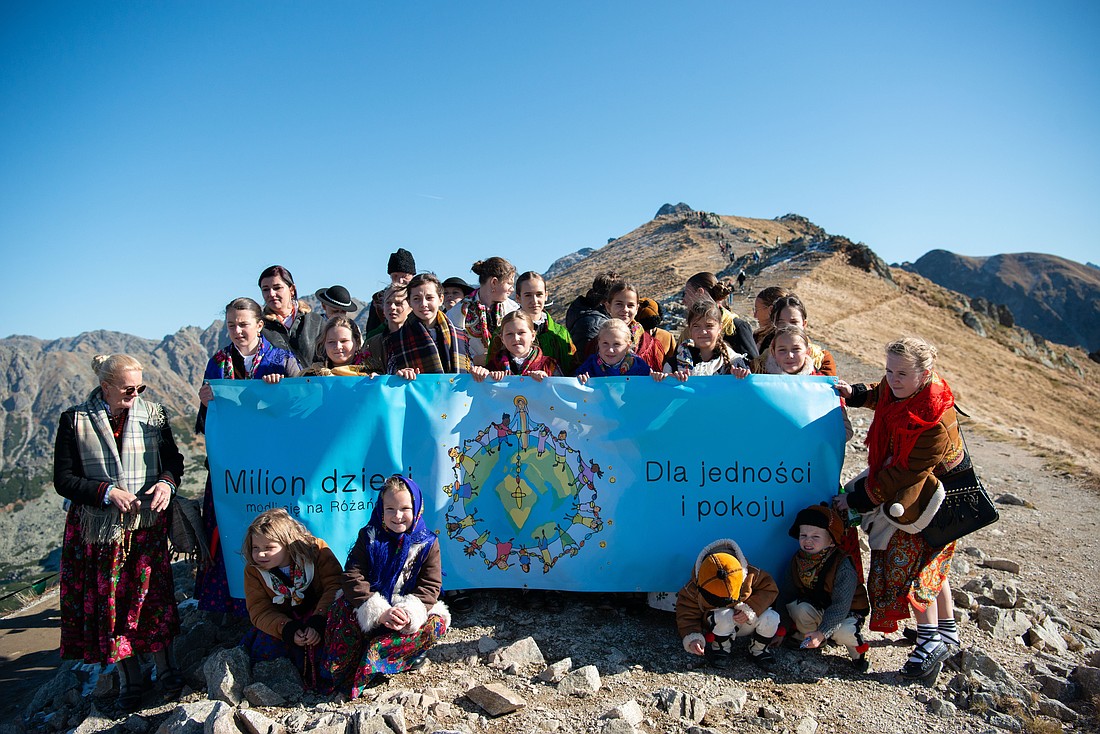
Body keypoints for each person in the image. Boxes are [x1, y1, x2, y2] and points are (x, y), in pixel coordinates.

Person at [53, 354, 185, 710]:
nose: (136, 393)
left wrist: (166, 483)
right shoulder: (75, 420)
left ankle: (166, 668)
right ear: (105, 387)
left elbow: (174, 460)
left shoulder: (154, 415)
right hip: (100, 532)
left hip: (145, 528)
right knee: (113, 604)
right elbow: (63, 480)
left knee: (151, 599)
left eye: (141, 387)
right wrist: (107, 492)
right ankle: (130, 679)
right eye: (129, 389)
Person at [833, 336, 965, 682]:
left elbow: (904, 474)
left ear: (925, 373)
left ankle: (931, 640)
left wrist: (858, 497)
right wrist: (857, 393)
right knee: (933, 563)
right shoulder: (900, 389)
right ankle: (946, 629)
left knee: (916, 563)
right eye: (890, 370)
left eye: (902, 373)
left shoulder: (934, 417)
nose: (893, 378)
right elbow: (881, 393)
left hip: (928, 499)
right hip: (917, 495)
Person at [195, 298, 301, 616]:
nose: (238, 330)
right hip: (233, 466)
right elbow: (206, 424)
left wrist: (282, 390)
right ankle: (232, 602)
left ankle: (284, 596)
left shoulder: (282, 360)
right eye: (231, 325)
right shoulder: (218, 362)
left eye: (243, 324)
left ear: (259, 325)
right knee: (229, 526)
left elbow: (303, 409)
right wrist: (206, 401)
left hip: (274, 462)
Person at [322, 475, 450, 697]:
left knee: (436, 623)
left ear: (417, 509)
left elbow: (430, 586)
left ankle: (382, 656)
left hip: (403, 611)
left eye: (405, 508)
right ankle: (351, 661)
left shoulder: (428, 543)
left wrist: (408, 614)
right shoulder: (369, 536)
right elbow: (353, 575)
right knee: (340, 607)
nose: (397, 516)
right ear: (381, 509)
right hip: (372, 605)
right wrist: (378, 611)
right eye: (390, 509)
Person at [240, 509, 343, 687]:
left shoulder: (317, 552)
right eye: (255, 548)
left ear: (287, 544)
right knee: (266, 653)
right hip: (284, 622)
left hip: (321, 614)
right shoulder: (254, 571)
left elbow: (335, 585)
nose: (260, 554)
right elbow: (259, 609)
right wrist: (286, 628)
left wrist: (319, 619)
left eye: (269, 548)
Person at [781, 505, 870, 671]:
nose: (808, 540)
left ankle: (857, 650)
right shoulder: (797, 561)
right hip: (818, 607)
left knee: (844, 631)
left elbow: (841, 605)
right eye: (804, 535)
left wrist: (823, 631)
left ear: (831, 540)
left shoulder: (842, 565)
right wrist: (782, 629)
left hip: (846, 613)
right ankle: (813, 639)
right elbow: (787, 594)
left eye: (816, 536)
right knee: (798, 609)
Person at [676, 538, 781, 668]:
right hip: (718, 624)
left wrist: (751, 608)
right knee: (724, 613)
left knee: (772, 617)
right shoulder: (693, 588)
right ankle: (720, 648)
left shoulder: (751, 574)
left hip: (748, 620)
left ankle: (759, 649)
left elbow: (769, 589)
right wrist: (693, 637)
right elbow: (686, 613)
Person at [386, 273, 471, 377]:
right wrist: (400, 374)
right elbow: (390, 372)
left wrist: (478, 371)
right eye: (416, 299)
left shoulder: (460, 336)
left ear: (440, 299)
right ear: (409, 302)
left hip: (453, 393)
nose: (423, 304)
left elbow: (468, 371)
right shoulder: (397, 340)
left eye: (429, 298)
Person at [446, 257, 519, 367]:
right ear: (494, 282)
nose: (512, 289)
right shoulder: (458, 312)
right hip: (470, 379)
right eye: (509, 283)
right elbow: (450, 349)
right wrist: (474, 361)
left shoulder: (513, 309)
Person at [662, 299, 750, 378]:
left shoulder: (735, 363)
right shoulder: (673, 365)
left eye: (709, 326)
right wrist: (664, 380)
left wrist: (741, 377)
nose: (703, 332)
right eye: (696, 326)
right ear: (690, 329)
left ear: (720, 328)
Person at [682, 272, 758, 359]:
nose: (683, 301)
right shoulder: (688, 331)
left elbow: (753, 364)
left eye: (687, 294)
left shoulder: (737, 327)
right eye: (696, 326)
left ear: (700, 292)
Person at [258, 265, 324, 366]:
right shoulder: (259, 327)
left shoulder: (316, 322)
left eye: (277, 288)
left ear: (292, 289)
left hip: (314, 381)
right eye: (265, 289)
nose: (271, 294)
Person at [513, 271, 576, 374]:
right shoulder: (505, 331)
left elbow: (573, 368)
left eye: (539, 294)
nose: (534, 300)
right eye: (528, 295)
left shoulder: (560, 333)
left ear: (546, 295)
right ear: (518, 298)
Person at [596, 282, 668, 371]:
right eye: (619, 304)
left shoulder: (650, 345)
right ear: (608, 306)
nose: (625, 309)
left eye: (630, 305)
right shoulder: (597, 342)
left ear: (637, 309)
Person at [474, 310, 562, 381]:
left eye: (521, 333)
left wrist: (547, 380)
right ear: (502, 339)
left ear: (532, 336)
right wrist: (483, 374)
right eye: (509, 334)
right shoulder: (494, 366)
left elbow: (562, 392)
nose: (516, 338)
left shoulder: (549, 365)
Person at [759, 295, 836, 375]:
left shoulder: (823, 359)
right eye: (781, 323)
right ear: (774, 325)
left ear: (804, 324)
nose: (788, 327)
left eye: (794, 322)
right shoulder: (759, 364)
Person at [574, 318, 653, 383]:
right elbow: (576, 387)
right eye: (605, 343)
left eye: (616, 344)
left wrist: (658, 378)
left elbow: (652, 388)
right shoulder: (590, 365)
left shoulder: (639, 367)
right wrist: (580, 380)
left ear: (628, 345)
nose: (610, 350)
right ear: (598, 342)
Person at [360, 284, 410, 374]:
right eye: (388, 303)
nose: (392, 307)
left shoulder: (420, 339)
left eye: (398, 303)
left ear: (411, 307)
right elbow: (361, 371)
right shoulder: (372, 344)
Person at [365, 248, 417, 333]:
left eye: (404, 276)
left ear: (412, 276)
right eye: (395, 276)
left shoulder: (421, 297)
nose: (400, 281)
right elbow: (371, 330)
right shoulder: (378, 300)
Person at [565, 271, 619, 351]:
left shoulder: (586, 314)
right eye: (618, 302)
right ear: (607, 301)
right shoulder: (595, 326)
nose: (624, 309)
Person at [302, 315, 370, 375]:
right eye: (331, 342)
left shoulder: (369, 374)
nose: (338, 346)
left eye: (344, 341)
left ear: (357, 342)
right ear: (324, 344)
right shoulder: (311, 376)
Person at [636, 297, 676, 366]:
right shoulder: (630, 337)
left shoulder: (668, 337)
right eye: (645, 329)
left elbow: (674, 363)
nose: (649, 333)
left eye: (652, 328)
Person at [752, 285, 792, 350]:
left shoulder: (774, 340)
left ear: (771, 310)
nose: (755, 315)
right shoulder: (761, 335)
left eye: (757, 309)